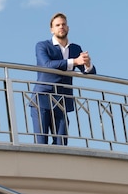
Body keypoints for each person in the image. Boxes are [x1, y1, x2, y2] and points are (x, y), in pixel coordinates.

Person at [31, 12, 97, 145]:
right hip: (42, 99)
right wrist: (74, 61)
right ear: (52, 29)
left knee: (61, 144)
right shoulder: (42, 45)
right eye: (57, 25)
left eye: (64, 24)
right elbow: (47, 65)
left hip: (62, 101)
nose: (61, 27)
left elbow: (89, 72)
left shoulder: (75, 48)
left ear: (68, 28)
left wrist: (88, 64)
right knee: (41, 143)